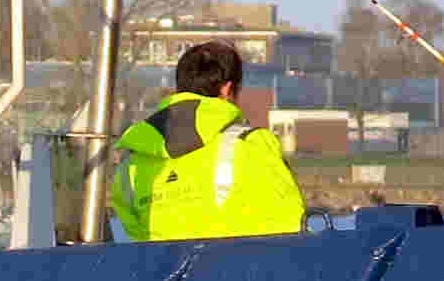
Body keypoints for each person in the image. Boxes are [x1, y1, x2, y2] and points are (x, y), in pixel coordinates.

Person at [110, 40, 305, 241]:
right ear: (227, 90)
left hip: (160, 271)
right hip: (236, 269)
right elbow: (289, 223)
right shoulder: (250, 143)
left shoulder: (132, 161)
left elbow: (136, 233)